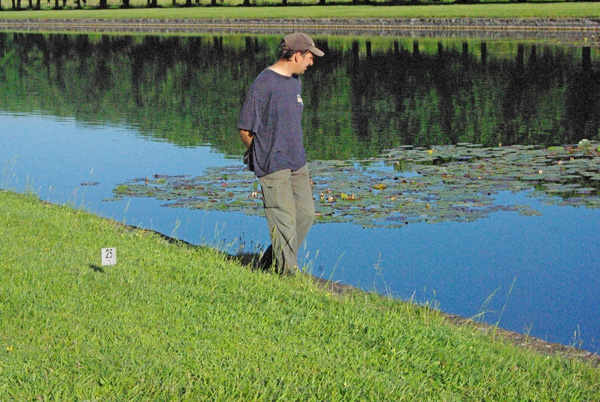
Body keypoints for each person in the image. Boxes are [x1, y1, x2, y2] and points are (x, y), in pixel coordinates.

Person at [238, 32, 324, 275]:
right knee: (284, 222)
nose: (312, 62)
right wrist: (263, 153)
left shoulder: (294, 80)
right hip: (273, 165)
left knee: (305, 216)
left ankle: (267, 264)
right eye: (309, 57)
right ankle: (287, 277)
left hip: (297, 162)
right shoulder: (264, 84)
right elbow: (245, 129)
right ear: (296, 56)